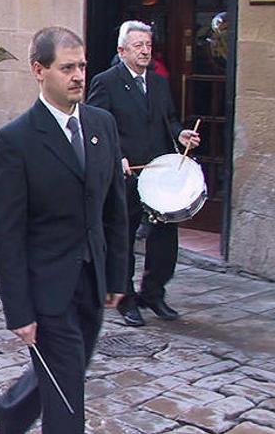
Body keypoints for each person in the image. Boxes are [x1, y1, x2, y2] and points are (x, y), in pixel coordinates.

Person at [0, 26, 128, 433]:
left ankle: (11, 411)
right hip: (47, 289)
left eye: (82, 66)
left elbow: (114, 209)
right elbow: (6, 234)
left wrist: (118, 274)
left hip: (92, 279)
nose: (78, 76)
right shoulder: (15, 141)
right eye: (67, 68)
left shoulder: (102, 124)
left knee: (67, 369)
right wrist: (19, 310)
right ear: (38, 70)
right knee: (68, 395)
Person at [86, 20, 200, 327]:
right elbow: (96, 126)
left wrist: (181, 135)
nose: (145, 51)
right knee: (123, 239)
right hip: (126, 174)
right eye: (138, 46)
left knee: (165, 237)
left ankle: (154, 293)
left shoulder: (160, 82)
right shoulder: (105, 82)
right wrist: (115, 156)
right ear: (122, 50)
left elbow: (169, 120)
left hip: (159, 173)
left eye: (148, 45)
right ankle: (126, 299)